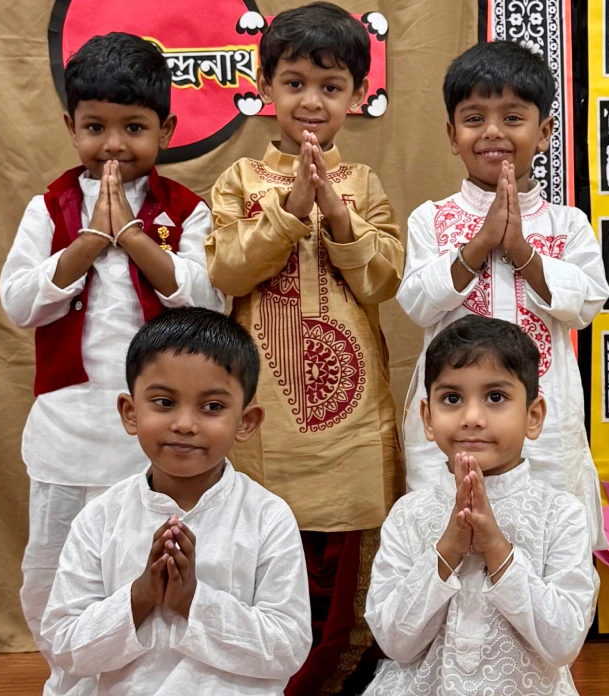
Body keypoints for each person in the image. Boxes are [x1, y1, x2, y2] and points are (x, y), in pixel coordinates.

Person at [0, 32, 222, 696]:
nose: (114, 145)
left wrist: (128, 234)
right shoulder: (50, 208)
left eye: (134, 128)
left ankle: (140, 682)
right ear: (70, 126)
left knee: (145, 564)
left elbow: (205, 297)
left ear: (166, 129)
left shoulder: (184, 211)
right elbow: (18, 302)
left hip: (153, 446)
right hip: (66, 435)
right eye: (95, 128)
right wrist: (89, 239)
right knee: (52, 572)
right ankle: (68, 678)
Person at [204, 3, 404, 693]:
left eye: (330, 86)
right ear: (265, 87)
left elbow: (382, 281)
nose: (311, 101)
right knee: (265, 556)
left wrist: (340, 215)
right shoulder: (238, 182)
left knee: (347, 567)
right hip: (265, 419)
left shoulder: (365, 185)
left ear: (357, 95)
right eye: (293, 83)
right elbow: (228, 272)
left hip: (350, 426)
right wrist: (289, 210)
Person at [398, 40, 609, 550]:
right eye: (474, 118)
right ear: (453, 135)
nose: (492, 132)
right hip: (451, 417)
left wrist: (522, 251)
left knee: (544, 537)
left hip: (544, 415)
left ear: (544, 132)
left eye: (512, 117)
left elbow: (585, 304)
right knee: (446, 538)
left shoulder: (568, 223)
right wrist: (477, 246)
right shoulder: (432, 219)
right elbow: (417, 303)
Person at [40, 308, 311, 695]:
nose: (185, 423)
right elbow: (64, 645)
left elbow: (288, 647)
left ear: (246, 421)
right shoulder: (100, 518)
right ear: (130, 413)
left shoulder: (267, 517)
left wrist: (193, 602)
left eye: (212, 407)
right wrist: (139, 597)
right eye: (164, 402)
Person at [364, 315, 598, 694]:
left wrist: (496, 548)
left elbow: (563, 644)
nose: (472, 418)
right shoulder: (408, 515)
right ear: (427, 417)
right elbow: (394, 641)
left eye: (496, 397)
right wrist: (449, 547)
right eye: (452, 399)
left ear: (533, 416)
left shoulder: (561, 515)